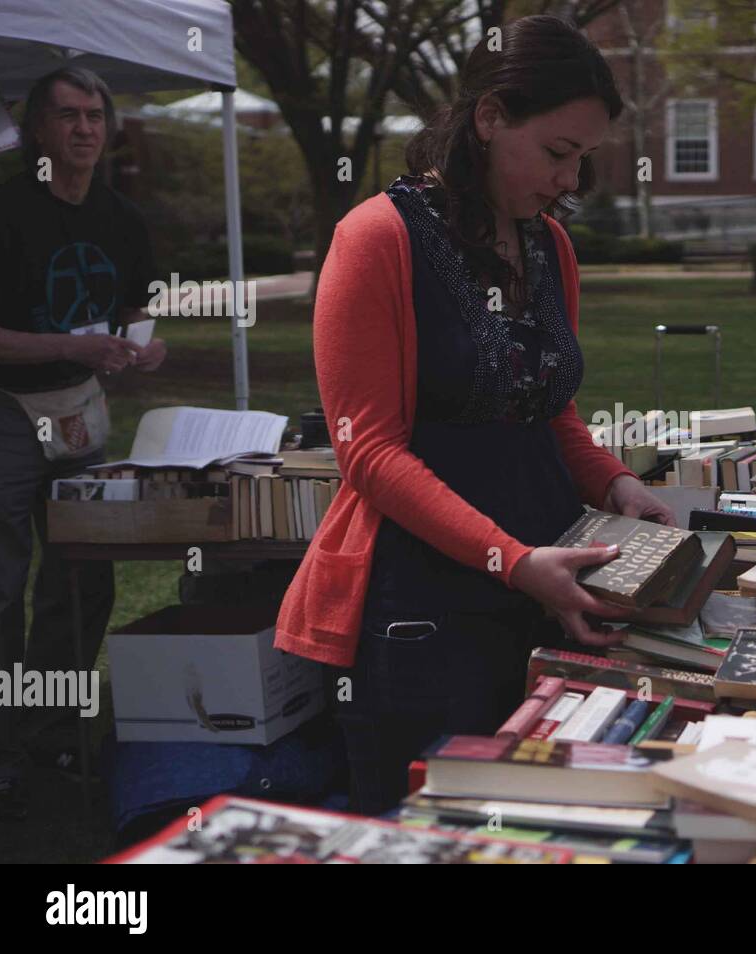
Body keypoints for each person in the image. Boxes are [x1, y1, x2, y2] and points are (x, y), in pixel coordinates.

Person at [273, 16, 674, 813]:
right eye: (558, 153)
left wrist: (614, 482)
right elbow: (370, 454)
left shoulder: (547, 247)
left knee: (539, 824)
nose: (569, 180)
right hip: (420, 608)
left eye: (583, 159)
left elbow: (547, 408)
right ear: (489, 119)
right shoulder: (376, 239)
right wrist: (512, 560)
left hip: (547, 584)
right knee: (428, 825)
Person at [0, 67, 166, 792]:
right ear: (38, 129)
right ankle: (1, 745)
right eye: (67, 115)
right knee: (2, 585)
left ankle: (53, 731)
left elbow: (137, 306)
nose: (85, 128)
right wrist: (73, 345)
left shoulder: (122, 218)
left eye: (95, 114)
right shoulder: (6, 212)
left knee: (82, 581)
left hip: (83, 415)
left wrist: (144, 346)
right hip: (6, 410)